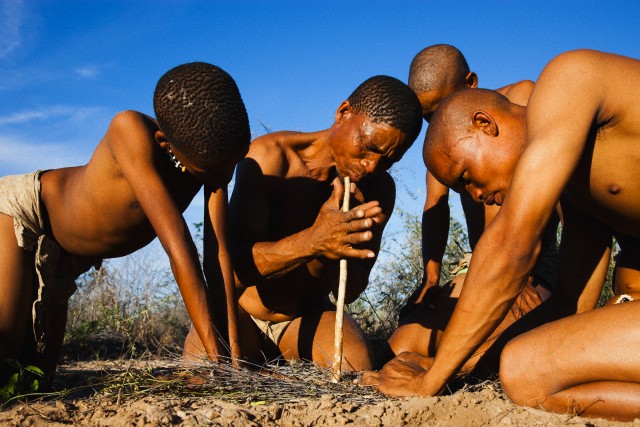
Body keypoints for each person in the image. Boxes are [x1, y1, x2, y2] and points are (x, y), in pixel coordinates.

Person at [363, 49, 640, 420]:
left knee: (522, 367)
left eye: (465, 177)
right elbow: (571, 303)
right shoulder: (576, 193)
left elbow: (512, 243)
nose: (475, 196)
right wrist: (457, 365)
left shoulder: (569, 78)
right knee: (524, 374)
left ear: (484, 123)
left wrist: (428, 383)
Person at [0, 62, 250, 380]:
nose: (224, 179)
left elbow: (217, 256)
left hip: (68, 252)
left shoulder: (212, 158)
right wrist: (216, 361)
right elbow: (179, 248)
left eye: (232, 166)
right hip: (27, 212)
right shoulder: (129, 130)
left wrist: (236, 357)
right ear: (164, 143)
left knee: (38, 375)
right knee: (5, 350)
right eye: (212, 174)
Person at [183, 75, 423, 371]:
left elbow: (350, 292)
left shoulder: (377, 190)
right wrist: (315, 241)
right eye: (368, 146)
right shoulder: (269, 160)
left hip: (304, 319)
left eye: (389, 160)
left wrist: (342, 248)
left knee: (355, 366)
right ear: (343, 113)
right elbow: (230, 272)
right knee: (201, 369)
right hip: (242, 313)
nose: (371, 165)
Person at [389, 44, 558, 374]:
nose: (439, 121)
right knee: (402, 344)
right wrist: (431, 277)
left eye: (443, 107)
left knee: (492, 351)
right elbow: (435, 206)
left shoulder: (524, 98)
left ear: (472, 83)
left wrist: (521, 273)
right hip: (481, 267)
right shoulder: (446, 147)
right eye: (428, 117)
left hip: (534, 265)